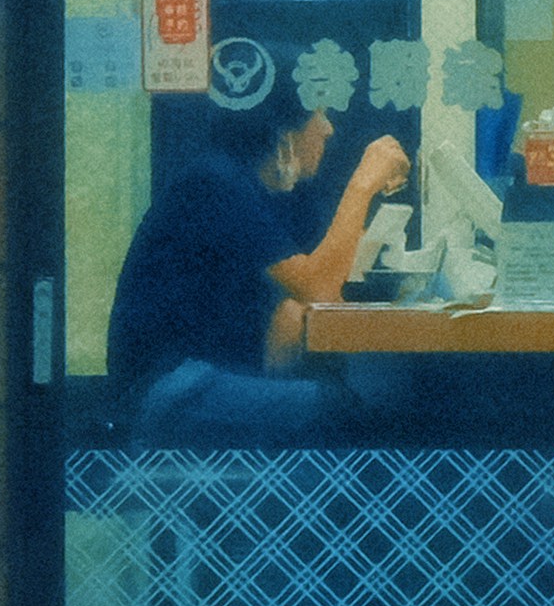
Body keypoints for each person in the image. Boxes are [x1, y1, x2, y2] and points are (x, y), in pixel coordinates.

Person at [102, 94, 408, 445]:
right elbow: (319, 287)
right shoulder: (215, 184)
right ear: (282, 133)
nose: (328, 129)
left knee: (339, 392)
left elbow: (308, 287)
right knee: (336, 409)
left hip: (196, 377)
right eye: (318, 115)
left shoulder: (248, 185)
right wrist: (362, 185)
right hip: (167, 390)